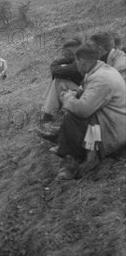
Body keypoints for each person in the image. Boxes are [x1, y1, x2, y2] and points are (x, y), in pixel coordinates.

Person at [52, 43, 126, 180]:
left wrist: (67, 98)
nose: (75, 66)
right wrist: (75, 93)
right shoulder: (99, 69)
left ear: (82, 61)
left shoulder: (101, 78)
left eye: (76, 62)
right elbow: (84, 88)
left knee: (72, 117)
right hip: (108, 123)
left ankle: (73, 161)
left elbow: (83, 110)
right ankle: (69, 147)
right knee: (74, 112)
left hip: (114, 134)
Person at [36, 38, 84, 133]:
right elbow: (54, 65)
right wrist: (59, 67)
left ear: (71, 52)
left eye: (65, 54)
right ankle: (48, 114)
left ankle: (47, 116)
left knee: (58, 80)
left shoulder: (81, 60)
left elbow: (57, 70)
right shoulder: (74, 58)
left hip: (86, 93)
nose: (63, 56)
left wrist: (59, 68)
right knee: (58, 79)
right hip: (81, 89)